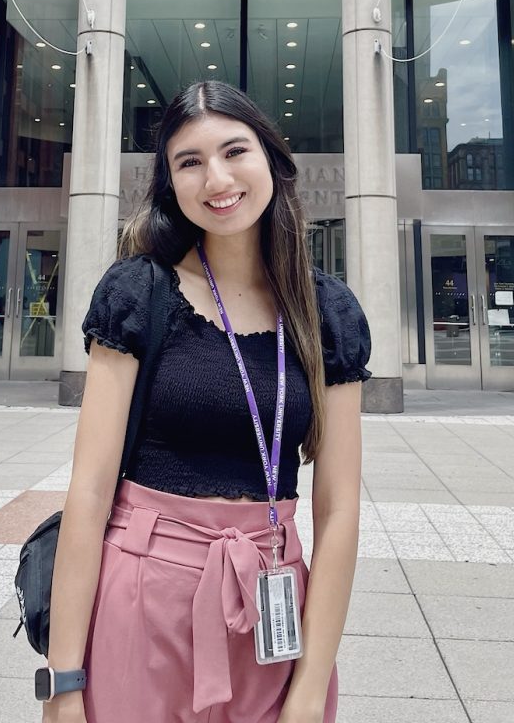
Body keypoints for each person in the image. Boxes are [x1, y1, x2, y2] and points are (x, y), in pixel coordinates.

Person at [42, 80, 371, 723]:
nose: (216, 178)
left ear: (272, 160)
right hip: (144, 594)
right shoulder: (139, 292)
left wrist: (308, 691)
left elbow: (338, 512)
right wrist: (64, 683)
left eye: (234, 151)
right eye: (189, 162)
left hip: (272, 602)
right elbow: (87, 493)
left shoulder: (327, 312)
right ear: (170, 184)